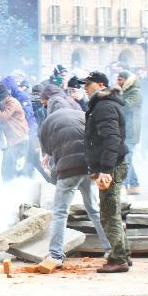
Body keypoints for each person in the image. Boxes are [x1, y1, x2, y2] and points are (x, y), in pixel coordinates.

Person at [39, 91, 111, 267]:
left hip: (69, 168)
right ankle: (111, 248)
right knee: (94, 209)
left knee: (60, 212)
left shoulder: (49, 121)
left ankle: (55, 254)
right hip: (89, 167)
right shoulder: (82, 114)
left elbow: (47, 146)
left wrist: (49, 156)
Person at [82, 72, 131, 273]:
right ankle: (124, 254)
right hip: (110, 165)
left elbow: (111, 139)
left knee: (109, 214)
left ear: (100, 84)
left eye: (88, 84)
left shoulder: (104, 106)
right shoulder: (100, 105)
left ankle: (118, 259)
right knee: (112, 212)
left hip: (112, 166)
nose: (85, 87)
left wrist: (105, 169)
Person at [0, 83, 30, 182]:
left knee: (16, 169)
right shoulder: (6, 102)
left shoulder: (11, 102)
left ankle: (18, 189)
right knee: (6, 169)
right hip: (13, 141)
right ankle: (8, 189)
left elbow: (4, 117)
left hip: (19, 140)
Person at [117, 70, 142, 195]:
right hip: (125, 129)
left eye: (120, 80)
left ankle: (124, 185)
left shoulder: (135, 92)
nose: (118, 82)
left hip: (131, 131)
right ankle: (134, 184)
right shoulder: (124, 92)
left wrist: (116, 96)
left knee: (126, 159)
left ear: (127, 80)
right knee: (128, 158)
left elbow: (125, 106)